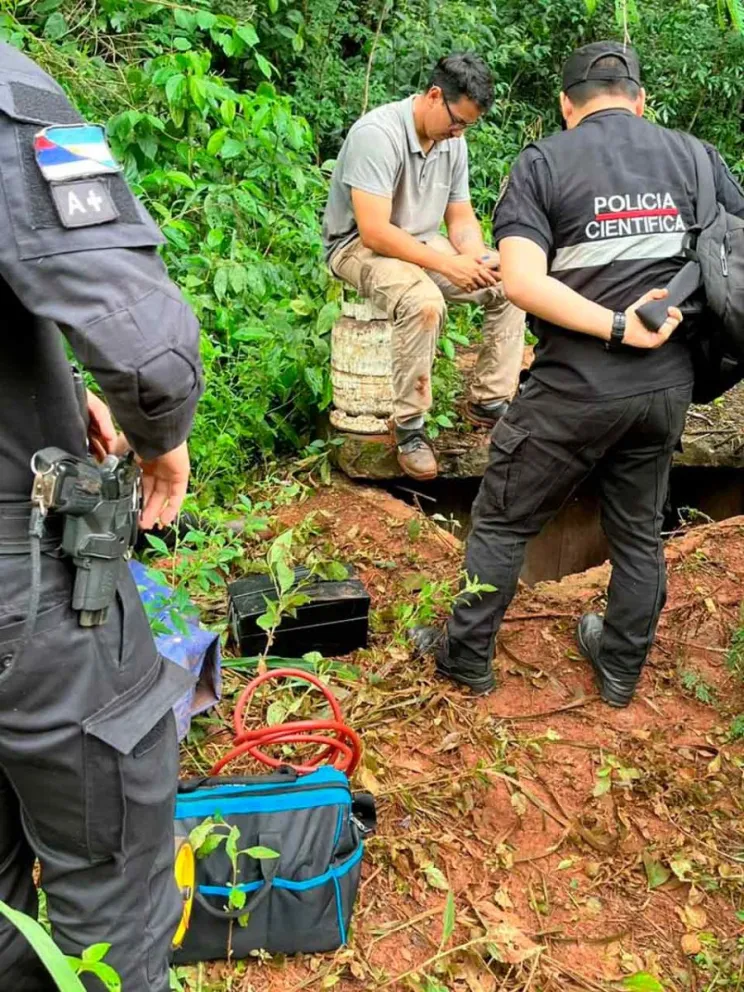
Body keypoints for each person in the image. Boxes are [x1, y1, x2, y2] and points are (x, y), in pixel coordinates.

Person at [413, 41, 744, 706]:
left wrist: (616, 326)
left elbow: (524, 284)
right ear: (640, 100)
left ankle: (467, 655)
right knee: (638, 529)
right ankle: (619, 670)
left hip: (575, 386)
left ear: (567, 105)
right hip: (665, 386)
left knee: (505, 520)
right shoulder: (699, 159)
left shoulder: (542, 162)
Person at [0, 41, 203, 991]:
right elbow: (149, 350)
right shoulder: (9, 92)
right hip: (25, 589)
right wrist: (159, 429)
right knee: (112, 890)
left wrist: (46, 379)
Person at [323, 53, 525, 481]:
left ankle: (490, 400)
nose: (460, 132)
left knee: (509, 282)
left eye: (468, 126)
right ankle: (410, 428)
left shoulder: (452, 142)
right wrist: (448, 268)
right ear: (435, 96)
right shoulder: (377, 135)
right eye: (458, 121)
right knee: (424, 301)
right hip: (357, 246)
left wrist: (472, 256)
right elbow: (375, 231)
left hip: (421, 240)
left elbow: (460, 217)